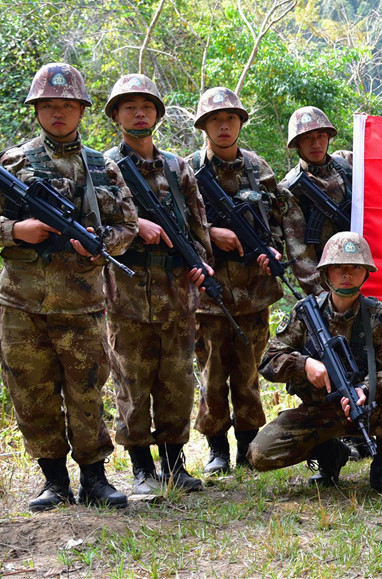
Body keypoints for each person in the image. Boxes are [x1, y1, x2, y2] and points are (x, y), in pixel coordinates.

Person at [0, 62, 137, 511]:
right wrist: (16, 230)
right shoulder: (13, 163)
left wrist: (102, 245)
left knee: (86, 391)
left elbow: (127, 225)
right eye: (48, 106)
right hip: (22, 303)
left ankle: (95, 479)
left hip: (81, 304)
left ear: (81, 110)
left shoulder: (102, 167)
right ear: (36, 111)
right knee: (31, 392)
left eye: (66, 106)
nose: (57, 113)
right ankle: (53, 481)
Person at [248, 232, 382, 500]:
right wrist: (304, 365)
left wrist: (365, 388)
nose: (346, 274)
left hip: (364, 409)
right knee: (259, 454)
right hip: (318, 412)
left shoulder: (380, 316)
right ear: (326, 273)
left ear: (366, 273)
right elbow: (269, 363)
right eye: (338, 267)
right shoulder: (306, 313)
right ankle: (331, 453)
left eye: (355, 268)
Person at [103, 74, 211, 494]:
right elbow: (96, 226)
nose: (139, 113)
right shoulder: (103, 166)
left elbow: (197, 223)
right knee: (132, 380)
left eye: (146, 106)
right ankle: (142, 469)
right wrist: (135, 225)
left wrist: (204, 265)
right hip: (126, 291)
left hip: (177, 291)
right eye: (129, 107)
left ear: (158, 115)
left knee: (178, 380)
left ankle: (175, 464)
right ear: (116, 115)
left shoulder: (177, 166)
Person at [190, 86, 287, 474]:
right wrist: (211, 233)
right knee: (212, 375)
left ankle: (248, 446)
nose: (224, 125)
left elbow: (276, 221)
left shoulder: (257, 168)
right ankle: (216, 449)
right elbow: (177, 225)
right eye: (216, 119)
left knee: (248, 373)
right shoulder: (188, 169)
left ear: (240, 123)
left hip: (253, 292)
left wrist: (273, 251)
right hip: (208, 295)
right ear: (204, 126)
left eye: (231, 118)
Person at [280, 106, 353, 298]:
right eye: (307, 138)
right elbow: (299, 251)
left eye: (321, 135)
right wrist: (320, 294)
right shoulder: (290, 188)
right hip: (325, 279)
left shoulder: (346, 164)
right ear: (297, 144)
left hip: (360, 269)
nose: (316, 144)